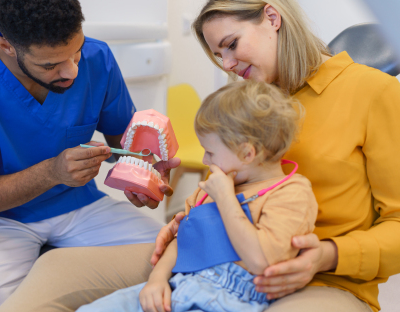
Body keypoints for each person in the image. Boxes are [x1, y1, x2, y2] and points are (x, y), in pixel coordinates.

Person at [0, 0, 400, 312]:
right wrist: (185, 220)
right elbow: (222, 184)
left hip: (317, 279)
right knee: (57, 274)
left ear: (272, 18)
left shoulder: (372, 92)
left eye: (231, 45)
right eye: (217, 56)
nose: (228, 66)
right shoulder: (245, 100)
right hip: (211, 255)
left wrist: (329, 254)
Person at [0, 0, 177, 312]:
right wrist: (52, 172)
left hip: (81, 207)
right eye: (51, 65)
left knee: (182, 258)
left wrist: (146, 170)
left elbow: (126, 145)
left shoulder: (97, 57)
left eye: (75, 52)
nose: (72, 71)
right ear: (6, 46)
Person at [77, 80, 317, 312]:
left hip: (229, 298)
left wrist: (225, 198)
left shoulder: (291, 193)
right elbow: (183, 238)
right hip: (180, 282)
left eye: (210, 152)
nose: (205, 161)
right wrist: (157, 280)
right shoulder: (211, 188)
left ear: (247, 153)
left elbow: (262, 262)